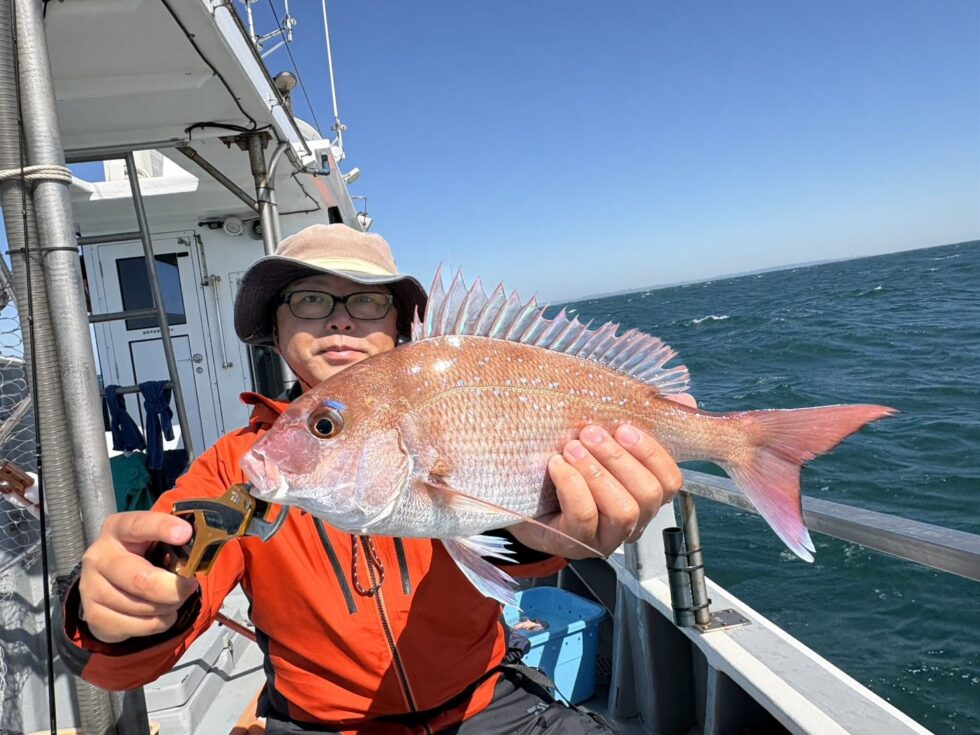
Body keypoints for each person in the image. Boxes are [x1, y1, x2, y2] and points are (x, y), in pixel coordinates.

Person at [57, 224, 687, 734]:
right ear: (273, 332)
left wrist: (549, 539)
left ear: (398, 326)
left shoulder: (441, 410)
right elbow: (168, 591)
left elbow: (509, 542)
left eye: (366, 300)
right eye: (308, 300)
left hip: (488, 705)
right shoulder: (240, 469)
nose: (339, 321)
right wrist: (123, 610)